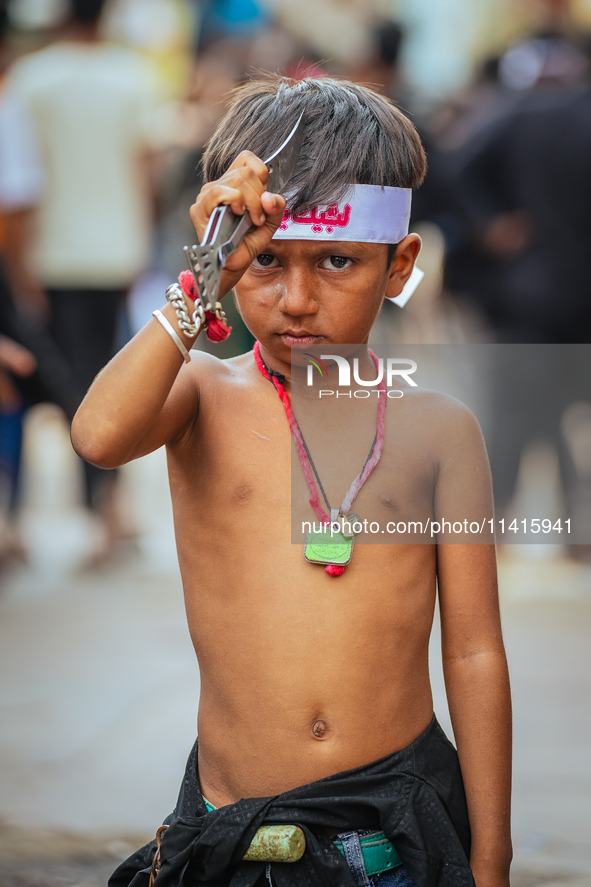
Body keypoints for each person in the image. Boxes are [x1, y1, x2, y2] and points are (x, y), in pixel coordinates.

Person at [71, 78, 512, 887]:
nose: (295, 300)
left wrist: (489, 855)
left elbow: (475, 649)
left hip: (397, 815)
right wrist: (202, 277)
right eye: (265, 261)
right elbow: (98, 436)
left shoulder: (440, 428)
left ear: (396, 263)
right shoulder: (201, 393)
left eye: (337, 260)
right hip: (235, 819)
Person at [0, 0, 166, 551]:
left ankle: (12, 522)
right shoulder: (133, 76)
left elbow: (18, 181)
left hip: (47, 255)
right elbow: (146, 169)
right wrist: (139, 244)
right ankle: (108, 516)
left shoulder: (31, 76)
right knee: (100, 384)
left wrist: (18, 267)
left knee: (23, 388)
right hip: (111, 253)